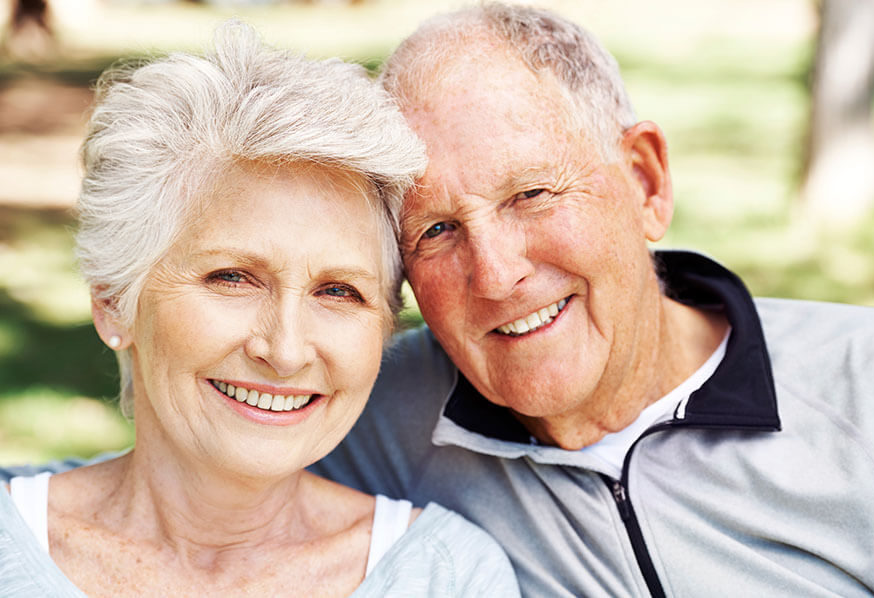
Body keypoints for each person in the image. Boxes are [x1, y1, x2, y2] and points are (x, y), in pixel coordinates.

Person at [310, 3, 874, 596]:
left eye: (531, 194)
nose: (493, 275)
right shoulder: (361, 415)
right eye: (435, 231)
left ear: (646, 182)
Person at [0, 21, 520, 597]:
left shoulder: (446, 577)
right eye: (232, 278)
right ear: (112, 302)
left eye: (339, 291)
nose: (286, 350)